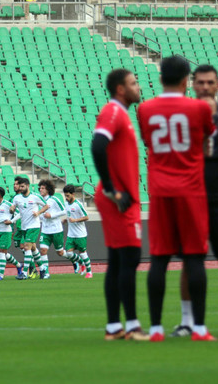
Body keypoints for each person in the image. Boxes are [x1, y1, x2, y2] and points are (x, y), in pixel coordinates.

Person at [137, 56, 216, 342]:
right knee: (194, 258)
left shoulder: (145, 109)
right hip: (191, 190)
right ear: (186, 81)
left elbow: (148, 141)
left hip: (160, 191)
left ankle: (156, 328)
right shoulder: (198, 108)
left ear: (161, 79)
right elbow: (208, 138)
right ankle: (199, 328)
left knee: (158, 259)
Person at [171, 65, 218, 337]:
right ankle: (186, 321)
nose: (204, 87)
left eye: (209, 82)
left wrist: (212, 120)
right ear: (192, 85)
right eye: (200, 82)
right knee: (190, 261)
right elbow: (181, 150)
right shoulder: (182, 115)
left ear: (217, 86)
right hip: (191, 197)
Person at [91, 68, 147, 341]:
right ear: (121, 89)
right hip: (119, 199)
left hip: (121, 196)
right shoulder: (113, 112)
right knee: (129, 258)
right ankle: (132, 326)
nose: (139, 87)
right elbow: (97, 146)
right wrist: (113, 190)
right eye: (134, 83)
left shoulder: (122, 114)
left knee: (118, 261)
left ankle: (114, 326)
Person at [10, 177, 46, 280]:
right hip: (24, 226)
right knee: (33, 248)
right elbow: (13, 207)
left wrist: (38, 213)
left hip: (34, 226)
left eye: (22, 186)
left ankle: (24, 273)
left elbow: (46, 206)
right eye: (19, 186)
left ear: (27, 186)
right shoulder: (17, 198)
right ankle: (42, 268)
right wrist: (12, 209)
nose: (20, 188)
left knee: (26, 247)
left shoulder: (35, 196)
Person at [0, 186, 23, 280]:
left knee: (1, 251)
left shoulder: (7, 204)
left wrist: (11, 221)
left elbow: (20, 213)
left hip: (6, 231)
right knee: (3, 253)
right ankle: (18, 265)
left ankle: (1, 275)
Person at [37, 179, 67, 279]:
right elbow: (40, 215)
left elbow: (64, 211)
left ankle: (76, 260)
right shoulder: (39, 201)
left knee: (60, 253)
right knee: (43, 250)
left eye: (43, 188)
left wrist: (52, 215)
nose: (40, 190)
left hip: (56, 230)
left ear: (48, 189)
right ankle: (46, 273)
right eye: (40, 188)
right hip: (45, 230)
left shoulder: (54, 199)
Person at [62, 184, 92, 279]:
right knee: (69, 253)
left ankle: (89, 272)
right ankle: (81, 263)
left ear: (73, 194)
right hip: (71, 234)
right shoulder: (66, 203)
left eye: (68, 195)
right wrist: (65, 220)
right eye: (65, 195)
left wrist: (75, 220)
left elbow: (86, 217)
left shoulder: (78, 204)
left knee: (83, 253)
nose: (66, 197)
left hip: (80, 234)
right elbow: (69, 214)